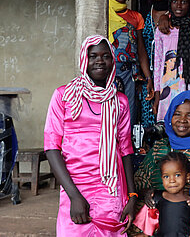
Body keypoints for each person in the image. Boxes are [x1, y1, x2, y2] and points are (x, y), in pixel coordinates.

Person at [44, 35, 136, 236]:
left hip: (110, 190)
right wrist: (74, 197)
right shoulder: (64, 95)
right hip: (74, 184)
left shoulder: (119, 101)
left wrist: (132, 195)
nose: (100, 61)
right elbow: (52, 148)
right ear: (84, 60)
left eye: (105, 56)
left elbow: (126, 149)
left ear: (113, 61)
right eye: (93, 56)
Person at [135, 90, 190, 205]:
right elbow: (139, 179)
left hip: (188, 213)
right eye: (177, 114)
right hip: (153, 213)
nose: (182, 120)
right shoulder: (159, 147)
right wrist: (148, 193)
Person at [152, 0, 190, 121]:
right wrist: (157, 94)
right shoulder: (163, 29)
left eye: (184, 2)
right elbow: (157, 63)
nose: (179, 6)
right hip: (168, 85)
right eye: (175, 1)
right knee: (169, 122)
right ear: (170, 3)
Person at [109, 0, 153, 126]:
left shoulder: (136, 17)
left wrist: (148, 78)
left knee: (129, 113)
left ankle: (127, 149)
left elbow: (141, 50)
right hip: (109, 73)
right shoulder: (104, 14)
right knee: (109, 114)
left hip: (130, 74)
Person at [134, 152, 190, 237]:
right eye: (166, 177)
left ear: (187, 177)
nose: (171, 180)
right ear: (162, 178)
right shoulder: (156, 198)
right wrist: (144, 234)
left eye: (177, 175)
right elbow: (149, 223)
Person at [140, 0, 170, 129]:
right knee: (148, 120)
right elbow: (141, 47)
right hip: (147, 74)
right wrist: (148, 77)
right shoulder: (145, 11)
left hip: (168, 75)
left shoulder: (174, 13)